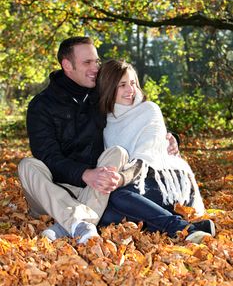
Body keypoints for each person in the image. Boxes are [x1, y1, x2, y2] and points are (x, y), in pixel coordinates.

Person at [18, 36, 179, 244]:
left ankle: (72, 226)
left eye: (96, 61)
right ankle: (77, 221)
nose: (95, 67)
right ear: (67, 65)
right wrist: (84, 174)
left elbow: (135, 117)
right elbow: (48, 157)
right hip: (51, 192)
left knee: (118, 153)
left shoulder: (99, 94)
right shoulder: (41, 106)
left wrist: (169, 138)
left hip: (94, 190)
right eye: (87, 63)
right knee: (27, 165)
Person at [97, 59, 215, 243]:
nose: (131, 90)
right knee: (106, 216)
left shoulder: (149, 110)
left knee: (118, 196)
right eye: (122, 85)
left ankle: (183, 229)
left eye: (133, 83)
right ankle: (191, 227)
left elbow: (144, 159)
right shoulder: (106, 122)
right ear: (108, 87)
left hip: (167, 181)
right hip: (135, 187)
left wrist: (120, 179)